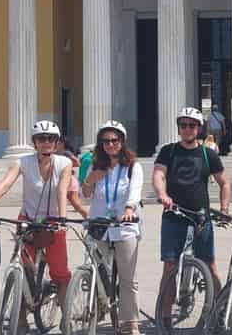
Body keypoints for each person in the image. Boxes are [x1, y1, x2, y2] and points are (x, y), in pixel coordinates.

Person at [153, 107, 231, 329]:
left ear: (199, 128)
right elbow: (158, 174)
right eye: (183, 125)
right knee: (169, 266)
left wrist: (224, 208)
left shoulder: (208, 154)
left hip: (200, 217)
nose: (187, 129)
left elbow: (225, 183)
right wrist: (162, 194)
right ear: (178, 128)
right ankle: (165, 316)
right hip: (173, 214)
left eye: (192, 125)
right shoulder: (169, 151)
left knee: (210, 264)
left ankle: (219, 310)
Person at [0, 120, 73, 305]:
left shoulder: (65, 163)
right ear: (35, 142)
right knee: (23, 266)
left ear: (56, 142)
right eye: (41, 138)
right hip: (28, 219)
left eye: (50, 138)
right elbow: (5, 184)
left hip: (54, 221)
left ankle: (66, 318)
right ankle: (20, 316)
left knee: (59, 271)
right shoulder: (23, 162)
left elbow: (62, 190)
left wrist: (62, 220)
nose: (45, 142)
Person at [82, 120, 143, 335]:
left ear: (122, 142)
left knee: (127, 279)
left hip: (124, 226)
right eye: (106, 141)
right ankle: (98, 305)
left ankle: (130, 323)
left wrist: (129, 208)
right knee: (98, 271)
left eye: (114, 140)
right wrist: (91, 179)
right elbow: (85, 195)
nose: (110, 145)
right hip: (100, 225)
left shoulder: (133, 166)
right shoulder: (95, 165)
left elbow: (135, 191)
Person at [55, 134, 87, 216]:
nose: (55, 144)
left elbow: (78, 163)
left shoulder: (66, 153)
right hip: (59, 180)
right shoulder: (55, 153)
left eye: (57, 142)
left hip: (69, 181)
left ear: (62, 143)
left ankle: (89, 218)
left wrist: (68, 167)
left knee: (76, 205)